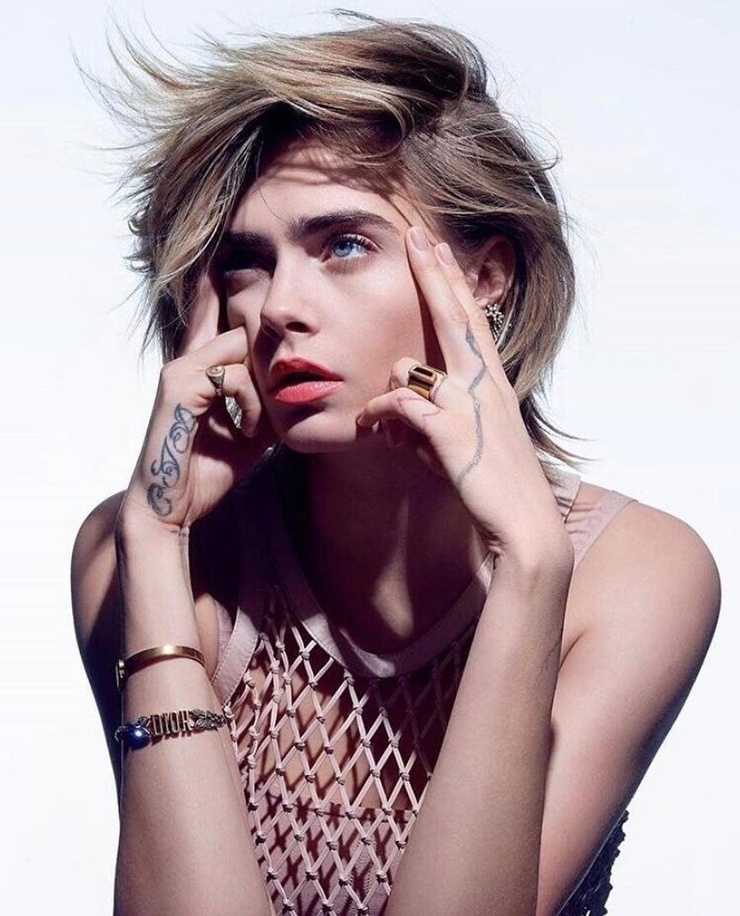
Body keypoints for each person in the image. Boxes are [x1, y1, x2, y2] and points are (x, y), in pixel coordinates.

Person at [71, 17, 720, 916]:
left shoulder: (638, 576)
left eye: (344, 244)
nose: (281, 308)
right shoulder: (149, 556)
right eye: (248, 263)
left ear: (484, 278)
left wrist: (533, 564)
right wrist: (153, 538)